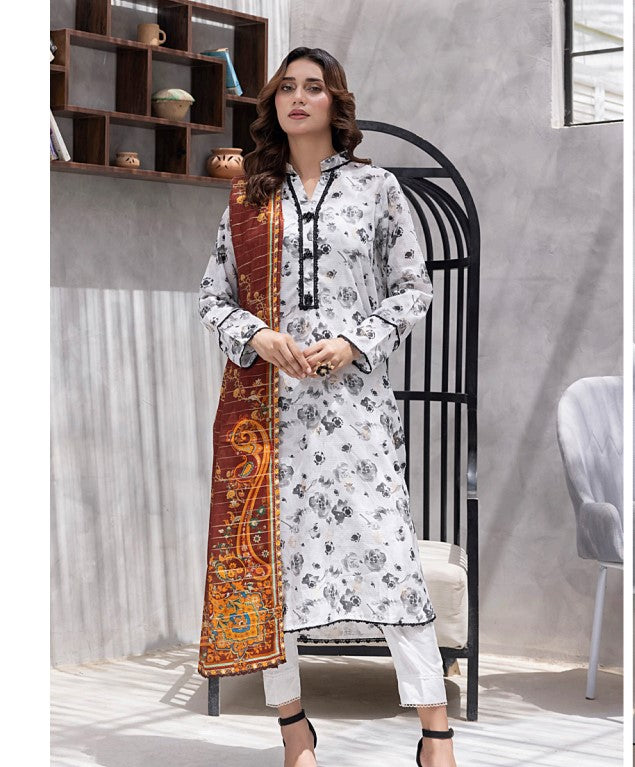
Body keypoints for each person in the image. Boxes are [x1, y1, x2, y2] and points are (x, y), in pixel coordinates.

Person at [197, 46, 458, 767]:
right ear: (274, 104)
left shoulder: (375, 189)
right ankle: (294, 731)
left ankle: (435, 734)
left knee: (390, 558)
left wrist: (353, 341)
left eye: (313, 87)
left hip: (355, 410)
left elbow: (413, 287)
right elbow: (212, 296)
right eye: (287, 87)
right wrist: (258, 335)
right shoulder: (249, 198)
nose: (298, 97)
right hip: (271, 414)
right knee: (275, 567)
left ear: (334, 103)